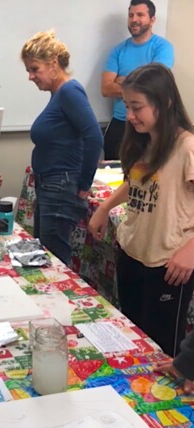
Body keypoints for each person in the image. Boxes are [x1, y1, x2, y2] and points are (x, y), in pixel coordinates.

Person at [89, 63, 194, 358]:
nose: (130, 116)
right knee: (134, 338)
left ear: (166, 102)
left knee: (161, 349)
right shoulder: (146, 141)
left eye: (137, 107)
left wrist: (191, 250)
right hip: (133, 253)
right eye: (126, 106)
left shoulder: (187, 147)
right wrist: (104, 207)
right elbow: (135, 181)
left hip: (168, 265)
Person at [21, 30, 103, 265]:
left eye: (34, 69)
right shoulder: (58, 94)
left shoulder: (69, 92)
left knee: (53, 261)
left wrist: (84, 185)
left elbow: (94, 137)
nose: (30, 76)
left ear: (53, 63)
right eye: (28, 70)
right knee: (44, 257)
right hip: (52, 184)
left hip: (61, 186)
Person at [101, 0, 174, 160]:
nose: (134, 19)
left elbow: (154, 84)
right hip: (120, 123)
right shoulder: (118, 50)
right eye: (131, 15)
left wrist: (122, 82)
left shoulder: (163, 47)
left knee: (147, 178)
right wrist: (137, 84)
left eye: (140, 15)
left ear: (152, 20)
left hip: (151, 125)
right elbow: (106, 89)